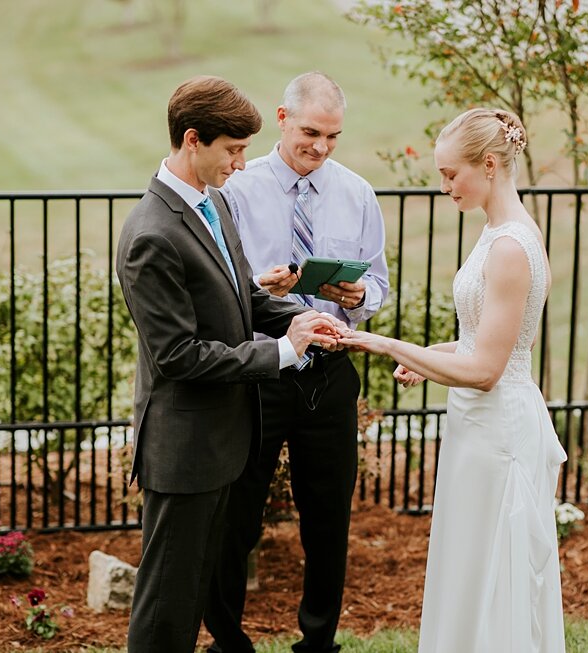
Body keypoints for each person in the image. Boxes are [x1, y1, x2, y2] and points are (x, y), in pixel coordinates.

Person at [115, 75, 340, 653]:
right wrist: (283, 352)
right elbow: (177, 356)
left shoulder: (211, 203)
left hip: (224, 443)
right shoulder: (151, 234)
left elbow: (244, 294)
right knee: (167, 604)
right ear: (193, 139)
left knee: (192, 597)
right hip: (185, 451)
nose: (242, 164)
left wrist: (302, 320)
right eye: (232, 150)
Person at [340, 108, 567, 653]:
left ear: (488, 164)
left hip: (499, 431)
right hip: (474, 427)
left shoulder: (512, 247)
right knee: (466, 566)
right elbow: (482, 340)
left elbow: (489, 370)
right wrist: (428, 356)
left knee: (495, 573)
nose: (444, 187)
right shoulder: (498, 231)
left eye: (450, 174)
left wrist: (385, 343)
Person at [203, 71, 389, 653]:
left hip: (331, 373)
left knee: (329, 519)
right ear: (282, 120)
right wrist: (259, 287)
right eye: (311, 132)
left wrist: (361, 298)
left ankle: (318, 642)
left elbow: (380, 283)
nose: (321, 147)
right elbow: (214, 287)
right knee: (237, 518)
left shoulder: (357, 193)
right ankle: (227, 641)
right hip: (259, 371)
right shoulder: (235, 188)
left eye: (333, 137)